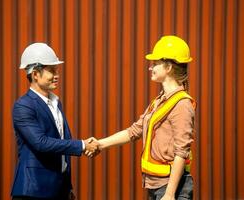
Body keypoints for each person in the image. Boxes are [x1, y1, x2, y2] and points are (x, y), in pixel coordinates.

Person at [91, 35, 196, 200]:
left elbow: (181, 152)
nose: (150, 67)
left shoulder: (182, 105)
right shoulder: (160, 100)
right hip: (156, 186)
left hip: (171, 188)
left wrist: (169, 194)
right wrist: (100, 144)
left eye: (155, 64)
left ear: (168, 67)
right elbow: (134, 131)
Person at [11, 43, 99, 200]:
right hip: (34, 191)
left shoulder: (56, 103)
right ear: (35, 74)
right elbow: (41, 143)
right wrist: (83, 145)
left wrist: (66, 188)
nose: (57, 74)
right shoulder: (23, 106)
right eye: (51, 70)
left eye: (56, 70)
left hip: (58, 190)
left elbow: (61, 145)